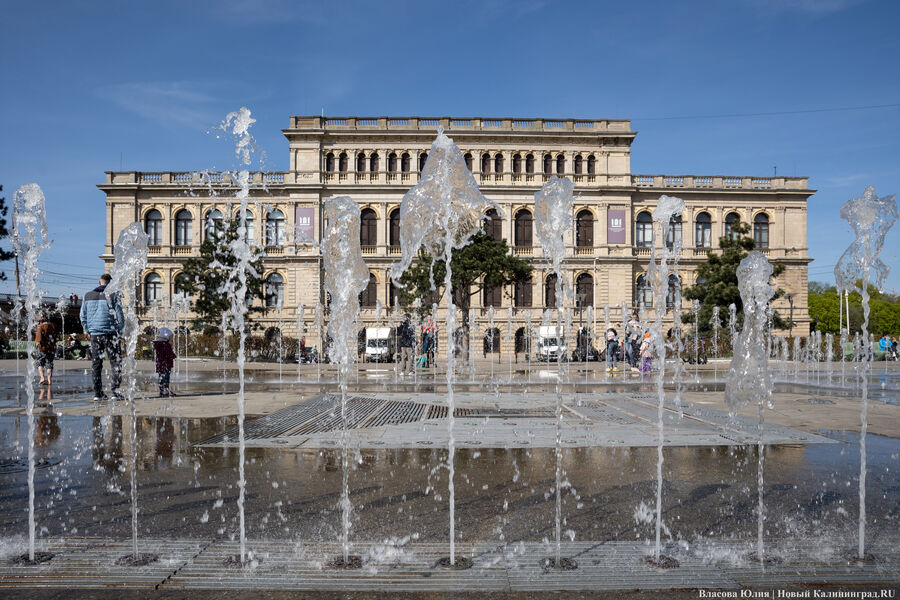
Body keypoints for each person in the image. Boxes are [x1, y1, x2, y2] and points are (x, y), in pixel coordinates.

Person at [80, 273, 124, 401]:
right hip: (111, 333)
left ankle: (97, 394)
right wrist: (119, 329)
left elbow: (82, 316)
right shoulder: (113, 295)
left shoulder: (87, 295)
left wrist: (88, 330)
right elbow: (120, 315)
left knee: (96, 364)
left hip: (95, 334)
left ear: (99, 282)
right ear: (110, 283)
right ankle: (115, 393)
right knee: (115, 362)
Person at [35, 312, 58, 386]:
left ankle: (42, 378)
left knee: (40, 362)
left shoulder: (40, 326)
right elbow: (56, 338)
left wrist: (37, 344)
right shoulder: (53, 325)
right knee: (49, 363)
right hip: (51, 348)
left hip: (42, 348)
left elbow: (38, 339)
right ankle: (49, 380)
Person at [153, 327, 177, 397]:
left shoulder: (158, 344)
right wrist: (174, 356)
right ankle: (166, 390)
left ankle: (162, 391)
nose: (170, 338)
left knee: (161, 377)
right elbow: (169, 354)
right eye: (170, 336)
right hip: (166, 364)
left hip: (160, 364)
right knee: (166, 378)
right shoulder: (166, 344)